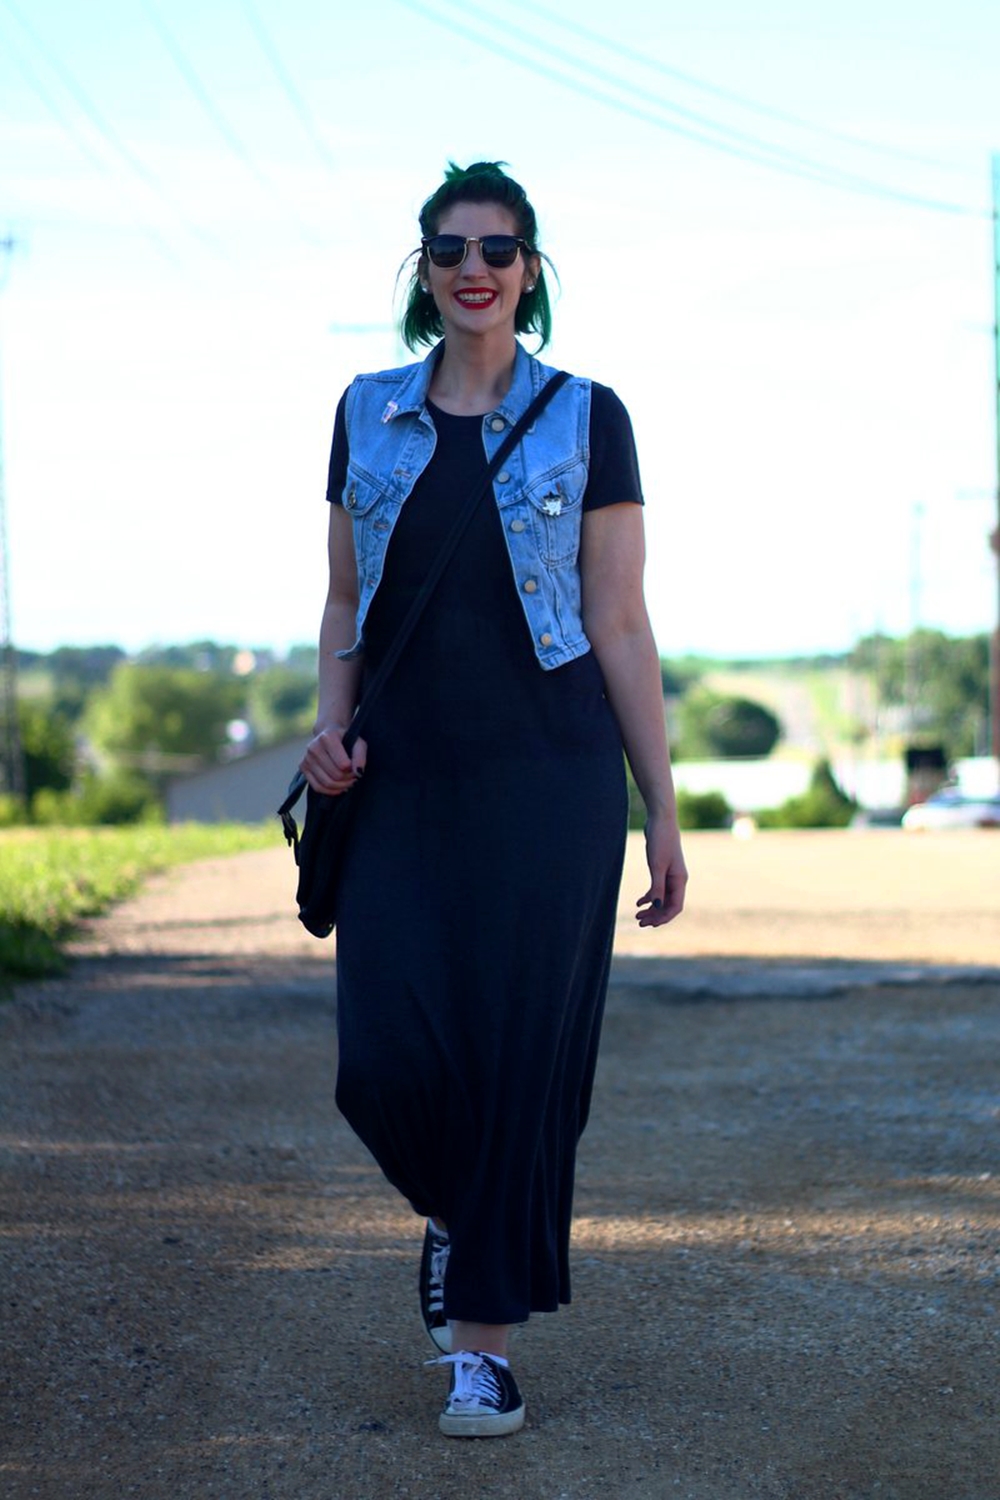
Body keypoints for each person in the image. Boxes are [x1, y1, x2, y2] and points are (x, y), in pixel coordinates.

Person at [300, 160, 687, 1439]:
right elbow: (348, 604)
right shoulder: (364, 412)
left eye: (501, 250)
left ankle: (483, 1349)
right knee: (382, 1059)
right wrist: (330, 731)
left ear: (531, 272)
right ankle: (462, 1213)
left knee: (523, 1062)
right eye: (452, 248)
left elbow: (620, 624)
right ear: (424, 272)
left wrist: (663, 806)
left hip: (552, 778)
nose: (476, 268)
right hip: (403, 780)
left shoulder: (590, 417)